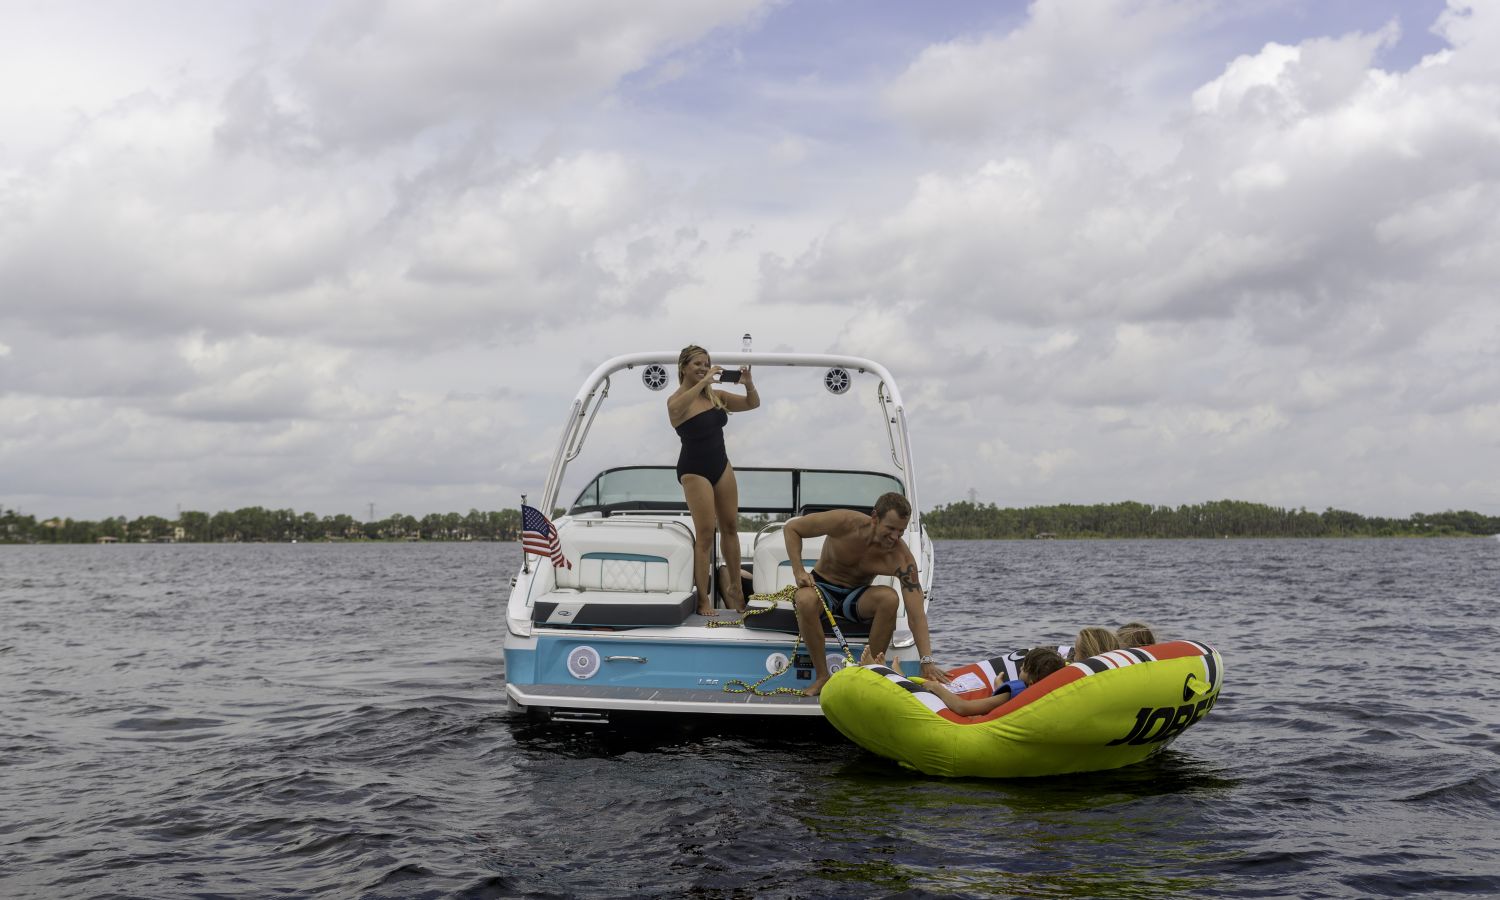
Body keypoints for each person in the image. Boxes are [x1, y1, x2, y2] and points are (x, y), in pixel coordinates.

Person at [783, 492, 946, 696]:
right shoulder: (845, 522)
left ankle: (869, 674)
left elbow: (916, 614)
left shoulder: (901, 558)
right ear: (875, 517)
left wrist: (927, 661)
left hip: (856, 596)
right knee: (804, 599)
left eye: (901, 531)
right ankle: (822, 676)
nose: (895, 537)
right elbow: (792, 528)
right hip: (822, 587)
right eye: (890, 528)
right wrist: (798, 571)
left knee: (889, 598)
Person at [667, 344, 758, 616]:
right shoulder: (676, 401)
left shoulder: (717, 396)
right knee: (706, 533)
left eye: (706, 364)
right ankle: (703, 599)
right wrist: (704, 381)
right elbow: (676, 411)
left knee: (730, 526)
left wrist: (748, 384)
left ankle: (736, 590)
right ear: (683, 367)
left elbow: (753, 404)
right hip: (694, 469)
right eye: (697, 364)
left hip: (721, 464)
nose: (703, 368)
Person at [920, 647, 1066, 717]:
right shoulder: (1052, 697)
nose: (1020, 668)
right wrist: (1000, 686)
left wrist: (936, 687)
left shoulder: (1012, 692)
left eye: (1024, 667)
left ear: (1032, 683)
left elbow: (963, 708)